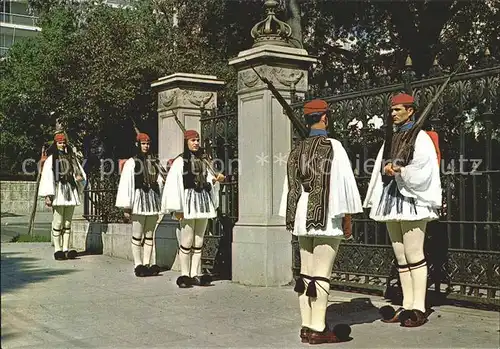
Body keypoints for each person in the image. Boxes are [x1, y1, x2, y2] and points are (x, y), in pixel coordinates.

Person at [279, 99, 363, 344]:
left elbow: (290, 187)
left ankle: (306, 326)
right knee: (322, 273)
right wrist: (347, 216)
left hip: (302, 214)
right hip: (327, 213)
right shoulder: (333, 146)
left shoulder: (297, 150)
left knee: (306, 273)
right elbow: (344, 183)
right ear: (325, 118)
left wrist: (291, 217)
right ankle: (318, 327)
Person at [363, 93, 442, 327]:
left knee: (414, 253)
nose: (393, 114)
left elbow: (425, 168)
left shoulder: (421, 138)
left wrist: (400, 170)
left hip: (411, 200)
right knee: (400, 256)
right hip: (391, 198)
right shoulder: (391, 137)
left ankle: (419, 306)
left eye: (398, 109)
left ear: (411, 111)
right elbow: (379, 165)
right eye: (392, 110)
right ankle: (407, 305)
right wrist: (386, 168)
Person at [161, 129, 224, 288]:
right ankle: (184, 274)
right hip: (188, 202)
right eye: (193, 140)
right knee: (187, 239)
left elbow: (209, 181)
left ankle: (195, 273)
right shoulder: (180, 162)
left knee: (199, 239)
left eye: (197, 140)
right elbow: (174, 185)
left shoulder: (204, 160)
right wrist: (178, 208)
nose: (196, 143)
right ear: (186, 142)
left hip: (202, 202)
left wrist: (216, 180)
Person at [116, 131, 163, 277]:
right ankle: (138, 264)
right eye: (143, 143)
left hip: (152, 201)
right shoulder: (132, 162)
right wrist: (127, 207)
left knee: (150, 235)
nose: (146, 146)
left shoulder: (155, 161)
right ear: (138, 144)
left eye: (148, 143)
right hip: (138, 201)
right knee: (137, 235)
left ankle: (147, 263)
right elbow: (126, 184)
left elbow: (160, 180)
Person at [39, 132, 86, 260]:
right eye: (60, 143)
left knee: (67, 222)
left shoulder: (72, 157)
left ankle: (66, 248)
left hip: (70, 190)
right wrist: (48, 195)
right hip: (58, 190)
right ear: (56, 144)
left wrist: (79, 178)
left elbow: (79, 173)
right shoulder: (51, 159)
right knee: (58, 221)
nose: (62, 144)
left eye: (64, 142)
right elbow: (47, 178)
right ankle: (58, 249)